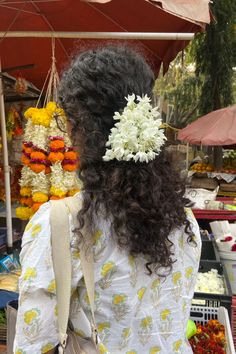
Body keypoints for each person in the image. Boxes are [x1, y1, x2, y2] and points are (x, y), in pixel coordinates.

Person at [14, 46, 201, 354]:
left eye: (66, 120)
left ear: (83, 128)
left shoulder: (61, 224)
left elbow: (33, 344)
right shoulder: (184, 221)